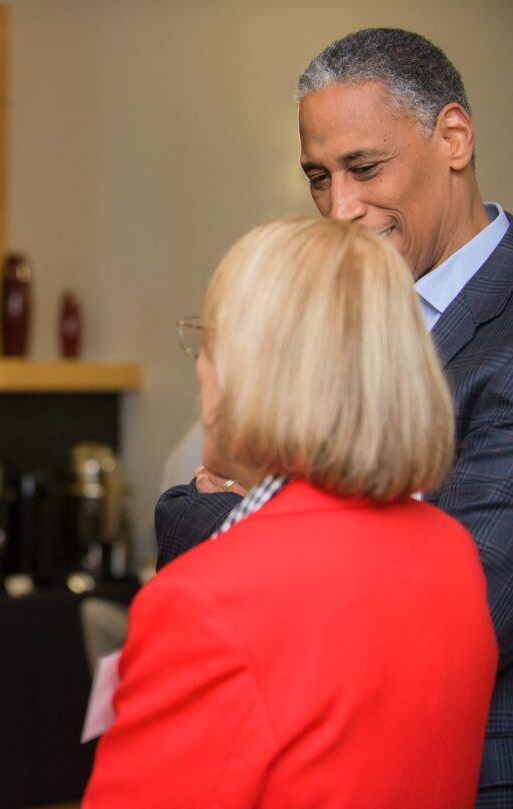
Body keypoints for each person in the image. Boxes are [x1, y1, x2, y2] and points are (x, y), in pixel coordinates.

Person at [155, 29, 513, 804]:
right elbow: (186, 520)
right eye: (319, 176)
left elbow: (459, 605)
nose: (340, 208)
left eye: (365, 167)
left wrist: (235, 500)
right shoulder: (336, 311)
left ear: (453, 137)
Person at [86, 217, 497, 808]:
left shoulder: (207, 601)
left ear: (255, 371)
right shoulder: (450, 552)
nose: (200, 367)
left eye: (210, 342)